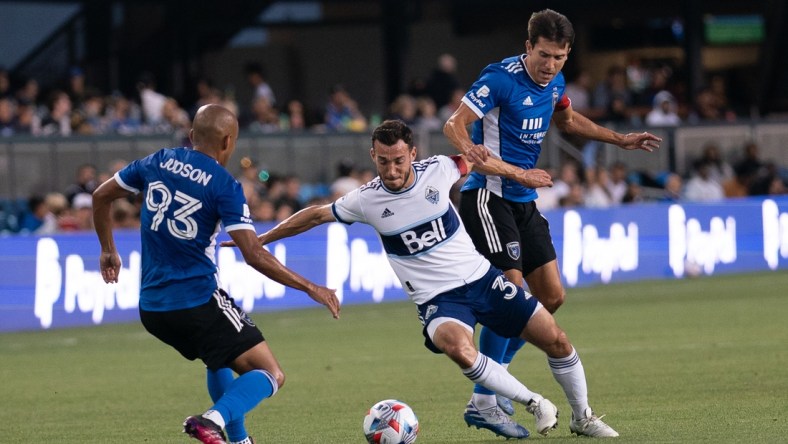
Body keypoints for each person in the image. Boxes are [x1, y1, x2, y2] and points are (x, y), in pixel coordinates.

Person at [226, 120, 619, 439]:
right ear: (373, 157)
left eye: (398, 160)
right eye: (383, 162)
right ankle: (534, 402)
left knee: (557, 339)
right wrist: (257, 240)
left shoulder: (440, 169)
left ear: (413, 153)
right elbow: (312, 215)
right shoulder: (365, 199)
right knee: (458, 347)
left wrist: (519, 174)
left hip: (481, 278)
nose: (392, 170)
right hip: (438, 300)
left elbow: (475, 161)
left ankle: (582, 416)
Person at [443, 8, 661, 423]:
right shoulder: (499, 79)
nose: (550, 66)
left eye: (559, 57)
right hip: (487, 198)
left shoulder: (555, 81)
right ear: (528, 47)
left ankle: (496, 377)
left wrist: (620, 139)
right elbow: (455, 123)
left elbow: (566, 120)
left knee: (552, 297)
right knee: (511, 292)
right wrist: (473, 151)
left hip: (524, 200)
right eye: (544, 55)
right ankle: (484, 398)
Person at [92, 104, 340, 444]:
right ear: (227, 142)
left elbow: (100, 196)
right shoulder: (225, 185)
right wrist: (311, 287)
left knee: (218, 359)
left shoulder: (158, 160)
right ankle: (211, 420)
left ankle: (238, 441)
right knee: (270, 372)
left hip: (152, 309)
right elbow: (252, 254)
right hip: (197, 301)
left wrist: (108, 249)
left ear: (193, 136)